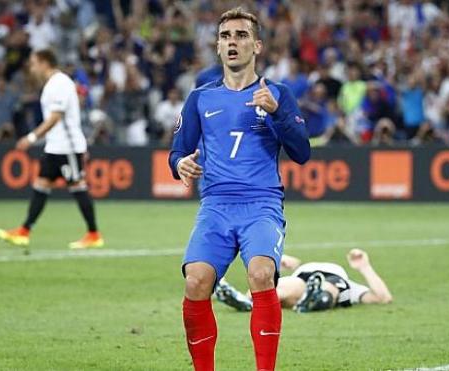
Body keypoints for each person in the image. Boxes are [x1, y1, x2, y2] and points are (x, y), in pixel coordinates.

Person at [168, 8, 310, 371]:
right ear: (218, 46)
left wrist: (277, 113)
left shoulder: (276, 94)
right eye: (226, 36)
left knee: (262, 274)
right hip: (215, 206)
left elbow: (302, 153)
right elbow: (178, 151)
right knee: (196, 282)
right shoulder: (201, 98)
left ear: (257, 45)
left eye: (241, 35)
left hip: (261, 205)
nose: (233, 42)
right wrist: (179, 164)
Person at [0, 49, 103, 250]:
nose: (32, 67)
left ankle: (94, 234)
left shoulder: (60, 82)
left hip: (67, 146)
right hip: (55, 146)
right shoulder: (52, 84)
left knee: (78, 186)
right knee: (41, 185)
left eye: (34, 63)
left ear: (45, 62)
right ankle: (24, 231)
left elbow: (55, 117)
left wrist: (32, 137)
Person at [214, 249, 392, 313]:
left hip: (335, 280)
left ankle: (314, 298)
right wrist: (281, 263)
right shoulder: (299, 269)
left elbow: (383, 297)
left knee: (328, 287)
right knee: (280, 290)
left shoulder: (351, 287)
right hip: (303, 278)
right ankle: (248, 302)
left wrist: (364, 267)